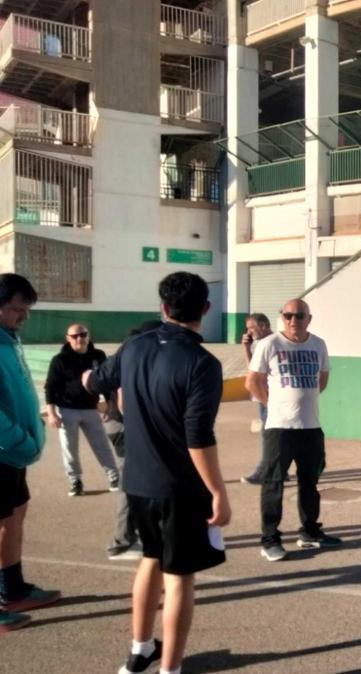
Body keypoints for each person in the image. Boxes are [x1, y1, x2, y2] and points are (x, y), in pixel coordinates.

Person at [82, 272, 229, 674]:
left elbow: (94, 380)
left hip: (138, 482)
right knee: (179, 577)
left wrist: (91, 379)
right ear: (205, 309)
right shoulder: (202, 363)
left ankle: (139, 650)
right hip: (179, 487)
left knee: (149, 560)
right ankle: (169, 668)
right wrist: (218, 491)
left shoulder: (135, 346)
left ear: (163, 308)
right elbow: (197, 436)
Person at [246, 299, 339, 562]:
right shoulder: (269, 344)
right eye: (288, 316)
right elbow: (251, 382)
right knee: (273, 483)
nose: (293, 321)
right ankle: (270, 540)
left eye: (299, 316)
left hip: (310, 427)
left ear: (309, 318)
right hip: (279, 428)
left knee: (310, 482)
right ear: (282, 318)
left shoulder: (318, 344)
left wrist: (301, 400)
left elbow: (322, 380)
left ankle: (310, 532)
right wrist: (271, 402)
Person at [0, 274, 59, 633]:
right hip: (4, 452)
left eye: (27, 310)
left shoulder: (9, 341)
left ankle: (13, 588)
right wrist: (20, 440)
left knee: (14, 519)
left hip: (14, 455)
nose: (22, 316)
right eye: (16, 309)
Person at [103, 320, 163, 562]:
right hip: (125, 427)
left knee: (138, 481)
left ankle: (134, 534)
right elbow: (123, 400)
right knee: (131, 482)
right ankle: (121, 542)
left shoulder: (126, 354)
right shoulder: (133, 356)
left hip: (119, 424)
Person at [44, 323, 120, 496]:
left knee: (102, 445)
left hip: (90, 409)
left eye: (83, 334)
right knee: (69, 448)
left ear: (88, 335)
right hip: (67, 410)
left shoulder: (98, 356)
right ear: (68, 338)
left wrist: (109, 404)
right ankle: (75, 481)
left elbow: (107, 381)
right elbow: (50, 387)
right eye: (75, 336)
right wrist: (51, 412)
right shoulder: (59, 360)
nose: (80, 338)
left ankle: (114, 477)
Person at [240, 313, 274, 485]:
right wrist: (246, 348)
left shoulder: (272, 343)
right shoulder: (258, 344)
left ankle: (264, 471)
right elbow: (252, 370)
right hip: (262, 396)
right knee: (272, 435)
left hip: (271, 397)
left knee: (269, 435)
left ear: (263, 326)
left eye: (251, 328)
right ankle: (278, 468)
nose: (249, 332)